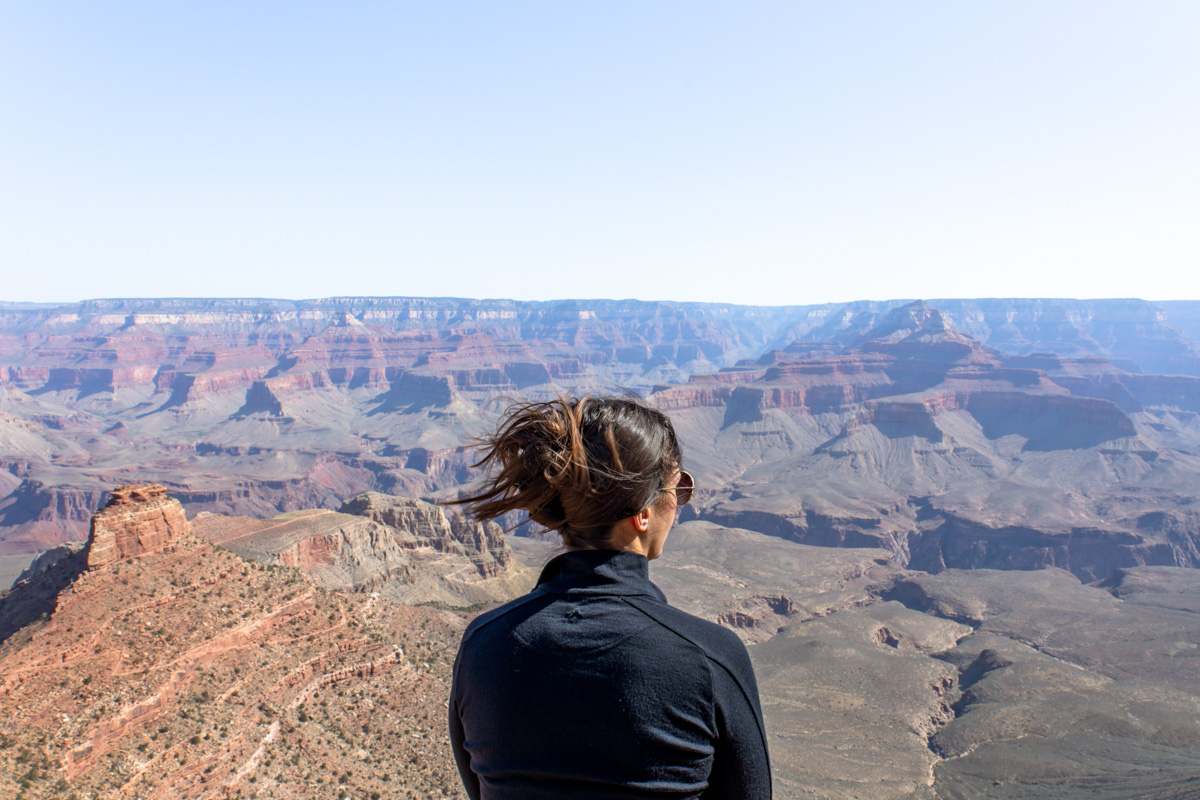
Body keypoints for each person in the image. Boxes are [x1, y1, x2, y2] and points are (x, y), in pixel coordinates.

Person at [447, 395, 772, 800]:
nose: (681, 504)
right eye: (679, 487)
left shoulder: (483, 645)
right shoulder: (708, 658)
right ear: (643, 513)